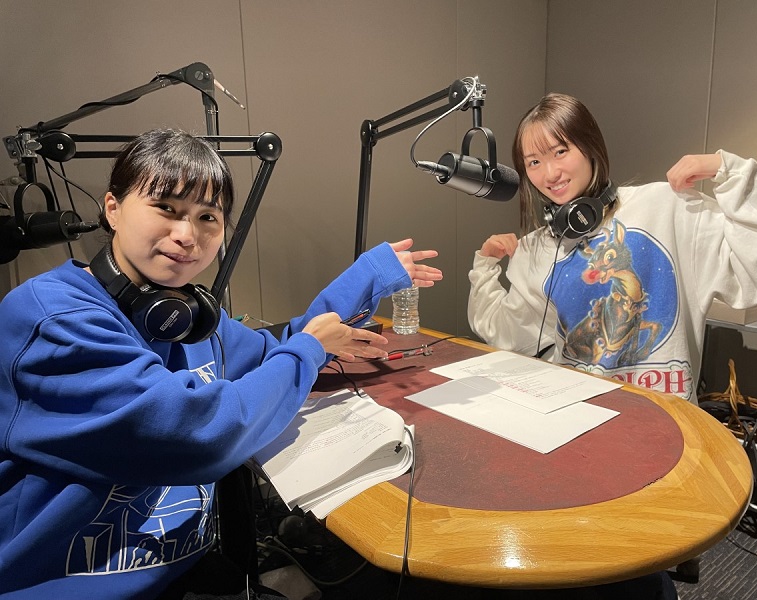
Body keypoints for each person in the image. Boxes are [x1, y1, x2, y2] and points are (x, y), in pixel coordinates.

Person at [0, 128, 443, 599]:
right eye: (165, 208)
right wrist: (311, 350)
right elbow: (198, 433)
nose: (186, 235)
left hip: (184, 574)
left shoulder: (187, 317)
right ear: (113, 208)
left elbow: (278, 349)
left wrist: (368, 277)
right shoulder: (53, 320)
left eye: (207, 217)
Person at [469, 92, 757, 405]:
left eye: (560, 152)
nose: (550, 173)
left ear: (589, 146)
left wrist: (728, 171)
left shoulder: (666, 207)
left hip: (665, 419)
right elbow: (508, 335)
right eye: (534, 162)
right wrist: (485, 265)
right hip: (575, 417)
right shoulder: (537, 248)